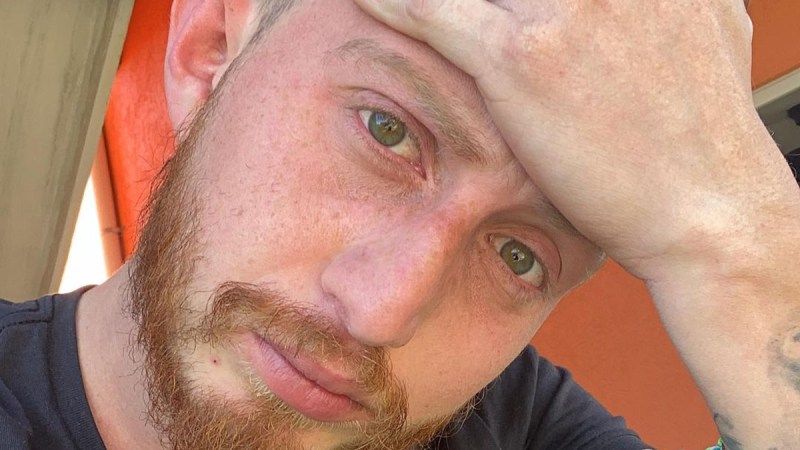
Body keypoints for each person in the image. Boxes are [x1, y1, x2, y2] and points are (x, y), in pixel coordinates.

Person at [1, 0, 798, 448]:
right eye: (387, 131)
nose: (383, 314)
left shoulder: (515, 424)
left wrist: (744, 245)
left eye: (520, 255)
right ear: (212, 53)